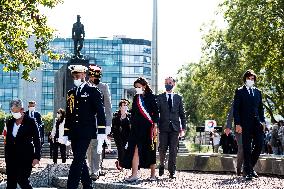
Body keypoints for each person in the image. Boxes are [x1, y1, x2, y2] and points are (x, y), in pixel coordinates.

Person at [65, 65, 106, 189]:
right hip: (74, 132)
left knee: (77, 160)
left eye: (77, 76)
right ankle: (88, 186)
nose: (75, 78)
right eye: (74, 76)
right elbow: (69, 113)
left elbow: (100, 112)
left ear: (84, 75)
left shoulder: (93, 91)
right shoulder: (71, 93)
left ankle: (71, 186)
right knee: (81, 160)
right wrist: (66, 133)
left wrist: (101, 132)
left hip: (86, 132)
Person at [123, 77, 159, 182]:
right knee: (135, 149)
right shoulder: (136, 98)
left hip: (148, 128)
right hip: (136, 128)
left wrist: (155, 126)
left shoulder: (151, 97)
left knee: (151, 150)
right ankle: (134, 174)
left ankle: (153, 175)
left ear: (144, 86)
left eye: (138, 87)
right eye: (135, 87)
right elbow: (133, 112)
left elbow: (156, 113)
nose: (137, 89)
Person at [233, 69, 265, 181]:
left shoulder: (258, 92)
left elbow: (261, 109)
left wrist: (263, 121)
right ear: (245, 79)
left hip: (257, 124)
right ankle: (248, 172)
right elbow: (235, 109)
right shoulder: (239, 91)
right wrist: (237, 123)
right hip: (244, 124)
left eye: (252, 79)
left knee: (260, 144)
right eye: (249, 78)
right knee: (246, 147)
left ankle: (248, 167)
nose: (251, 80)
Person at [5, 99, 40, 189]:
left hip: (26, 157)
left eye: (16, 111)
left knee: (22, 180)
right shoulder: (10, 122)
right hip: (11, 158)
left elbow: (37, 140)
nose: (14, 113)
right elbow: (8, 141)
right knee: (11, 182)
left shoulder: (30, 121)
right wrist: (6, 157)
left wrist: (36, 157)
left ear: (22, 109)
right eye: (12, 111)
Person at [157, 76, 186, 179]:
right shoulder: (159, 97)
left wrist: (183, 129)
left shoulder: (178, 98)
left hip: (175, 128)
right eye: (166, 83)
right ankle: (161, 165)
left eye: (169, 82)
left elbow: (182, 114)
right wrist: (156, 126)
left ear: (173, 84)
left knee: (173, 150)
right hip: (163, 127)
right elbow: (157, 113)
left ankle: (172, 171)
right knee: (162, 149)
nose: (167, 84)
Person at [87, 65, 112, 180]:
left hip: (99, 122)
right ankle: (91, 167)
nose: (95, 78)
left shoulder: (103, 87)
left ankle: (95, 170)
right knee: (89, 146)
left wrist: (108, 124)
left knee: (96, 145)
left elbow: (108, 107)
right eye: (93, 75)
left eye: (97, 76)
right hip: (86, 122)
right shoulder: (84, 86)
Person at [225, 101, 244, 175]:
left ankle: (248, 168)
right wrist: (228, 127)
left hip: (250, 128)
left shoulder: (253, 96)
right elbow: (230, 114)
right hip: (239, 128)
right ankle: (239, 168)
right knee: (242, 147)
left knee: (248, 148)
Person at [111, 99, 131, 170]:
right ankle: (121, 165)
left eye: (126, 105)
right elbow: (113, 126)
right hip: (118, 136)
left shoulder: (129, 116)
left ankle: (119, 162)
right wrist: (110, 134)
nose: (125, 107)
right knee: (120, 149)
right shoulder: (116, 115)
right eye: (124, 105)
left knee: (124, 150)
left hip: (126, 136)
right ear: (120, 107)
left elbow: (131, 128)